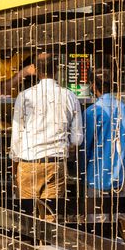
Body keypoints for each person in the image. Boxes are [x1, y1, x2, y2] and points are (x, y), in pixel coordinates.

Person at [10, 54, 83, 218]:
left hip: (28, 164)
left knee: (27, 218)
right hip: (55, 163)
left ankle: (31, 242)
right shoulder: (69, 96)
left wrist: (15, 170)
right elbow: (77, 139)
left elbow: (16, 138)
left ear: (35, 70)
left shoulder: (24, 96)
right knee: (51, 218)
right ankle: (49, 243)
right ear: (57, 70)